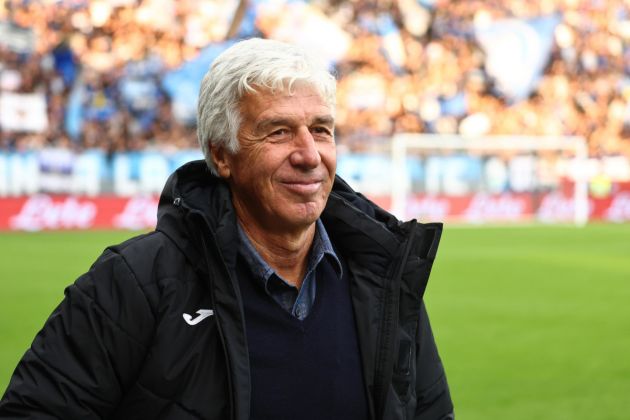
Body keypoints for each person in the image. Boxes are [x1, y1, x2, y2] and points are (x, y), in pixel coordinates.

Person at [0, 38, 454, 420]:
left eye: (321, 130)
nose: (308, 154)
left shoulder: (383, 280)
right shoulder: (135, 282)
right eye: (278, 132)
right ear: (222, 155)